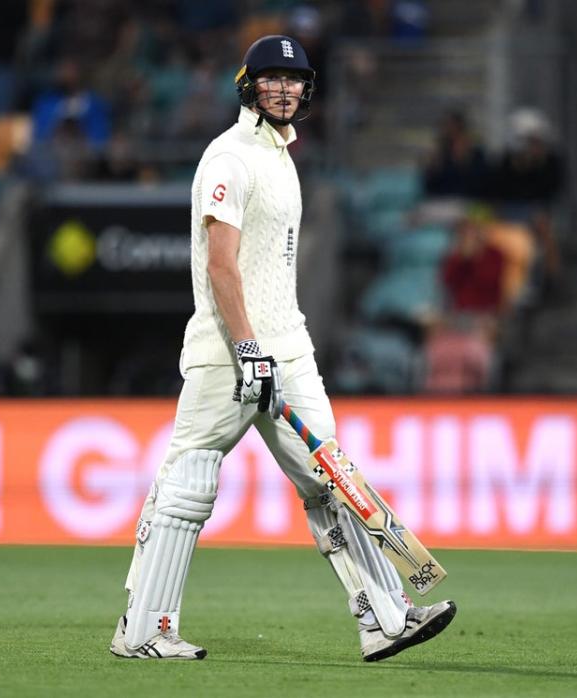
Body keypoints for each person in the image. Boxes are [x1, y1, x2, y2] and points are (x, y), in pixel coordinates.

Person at [109, 34, 456, 663]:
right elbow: (222, 267)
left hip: (289, 349)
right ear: (248, 84)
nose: (283, 88)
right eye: (270, 78)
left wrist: (274, 349)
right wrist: (247, 349)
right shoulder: (230, 157)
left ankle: (383, 618)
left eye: (293, 80)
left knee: (330, 477)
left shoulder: (282, 155)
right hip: (227, 350)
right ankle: (143, 630)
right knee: (188, 483)